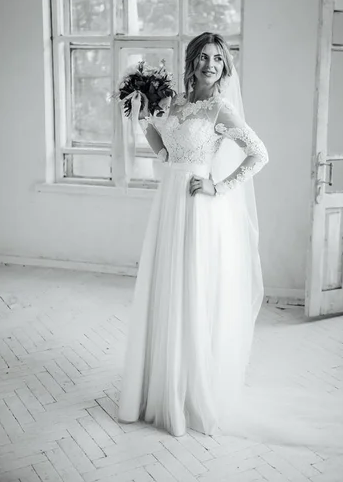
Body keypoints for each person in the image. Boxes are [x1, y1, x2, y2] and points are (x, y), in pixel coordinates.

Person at [117, 32, 268, 437]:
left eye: (217, 59)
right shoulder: (178, 103)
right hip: (169, 204)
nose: (209, 65)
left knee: (192, 292)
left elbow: (259, 154)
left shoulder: (221, 110)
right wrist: (145, 117)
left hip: (199, 209)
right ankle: (162, 386)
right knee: (166, 288)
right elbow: (165, 152)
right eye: (203, 57)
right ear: (191, 62)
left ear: (224, 68)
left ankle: (190, 393)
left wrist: (218, 186)